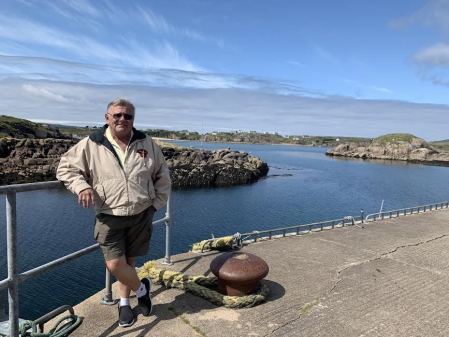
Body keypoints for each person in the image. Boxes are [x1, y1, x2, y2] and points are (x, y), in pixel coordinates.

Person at [56, 98, 171, 327]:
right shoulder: (92, 143)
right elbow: (65, 168)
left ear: (133, 120)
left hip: (141, 213)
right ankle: (141, 289)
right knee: (115, 265)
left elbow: (163, 176)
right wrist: (83, 186)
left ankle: (124, 304)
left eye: (128, 116)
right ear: (107, 117)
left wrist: (155, 206)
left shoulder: (146, 143)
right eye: (117, 115)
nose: (122, 119)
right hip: (109, 214)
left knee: (129, 260)